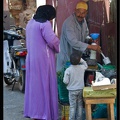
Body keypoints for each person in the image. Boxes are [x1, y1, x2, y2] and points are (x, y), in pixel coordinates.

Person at [24, 5, 60, 120]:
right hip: (44, 60)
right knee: (45, 84)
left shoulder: (30, 23)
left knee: (35, 86)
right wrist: (59, 45)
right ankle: (45, 113)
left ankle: (34, 112)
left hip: (32, 59)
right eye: (51, 17)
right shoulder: (44, 25)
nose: (51, 20)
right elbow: (52, 41)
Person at [56, 1, 101, 72]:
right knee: (65, 79)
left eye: (83, 13)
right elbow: (73, 42)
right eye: (79, 12)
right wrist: (91, 47)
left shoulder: (83, 21)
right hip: (66, 57)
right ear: (75, 10)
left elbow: (86, 35)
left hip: (76, 58)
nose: (80, 15)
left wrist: (90, 40)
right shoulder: (69, 23)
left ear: (86, 13)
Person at [63, 52, 88, 120]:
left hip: (72, 90)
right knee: (80, 105)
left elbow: (65, 81)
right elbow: (86, 65)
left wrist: (68, 84)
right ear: (79, 60)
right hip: (80, 89)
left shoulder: (68, 70)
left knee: (72, 106)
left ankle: (71, 119)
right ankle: (79, 118)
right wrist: (81, 60)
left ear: (70, 61)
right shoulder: (82, 68)